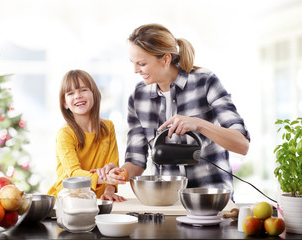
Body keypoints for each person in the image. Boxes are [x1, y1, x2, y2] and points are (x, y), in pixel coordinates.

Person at [102, 23, 250, 195]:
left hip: (210, 200)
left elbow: (242, 145)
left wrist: (198, 124)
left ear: (165, 59)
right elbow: (136, 160)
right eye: (133, 63)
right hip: (166, 201)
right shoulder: (138, 97)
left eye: (141, 63)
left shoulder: (205, 82)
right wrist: (120, 174)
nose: (135, 70)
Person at [47, 69, 126, 202]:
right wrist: (105, 178)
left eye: (83, 90)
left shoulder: (108, 128)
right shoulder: (65, 134)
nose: (78, 96)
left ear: (94, 94)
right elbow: (73, 174)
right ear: (65, 103)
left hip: (97, 202)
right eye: (71, 93)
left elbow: (113, 166)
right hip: (66, 203)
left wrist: (109, 190)